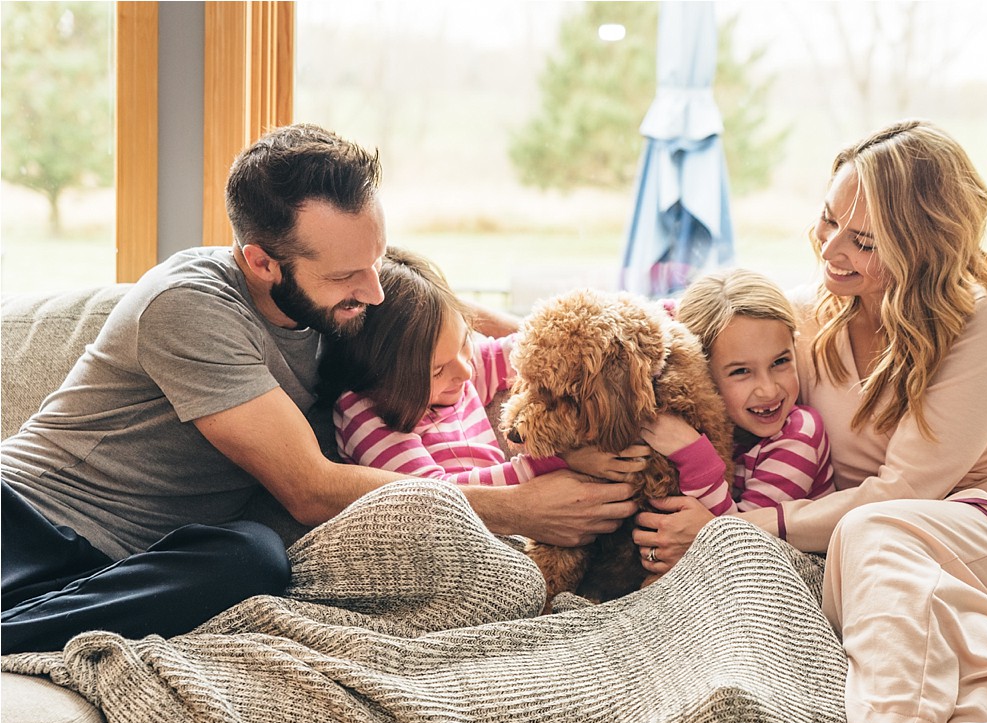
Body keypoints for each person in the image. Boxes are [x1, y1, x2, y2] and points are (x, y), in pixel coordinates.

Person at [630, 120, 987, 723]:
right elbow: (674, 327)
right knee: (945, 645)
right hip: (907, 577)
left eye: (863, 240)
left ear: (919, 244)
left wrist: (728, 528)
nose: (831, 249)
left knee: (873, 530)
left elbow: (903, 491)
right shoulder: (816, 318)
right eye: (827, 221)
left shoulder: (983, 322)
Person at [1, 123, 638, 655]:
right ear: (260, 262)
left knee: (249, 558)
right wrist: (526, 507)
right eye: (345, 276)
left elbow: (463, 320)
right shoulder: (187, 307)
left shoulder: (342, 295)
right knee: (256, 559)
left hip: (130, 563)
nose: (374, 291)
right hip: (27, 522)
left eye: (376, 260)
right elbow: (309, 490)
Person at [323, 247, 647, 485]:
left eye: (465, 343)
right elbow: (437, 496)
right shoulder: (362, 415)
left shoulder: (460, 371)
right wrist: (558, 463)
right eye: (437, 370)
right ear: (383, 376)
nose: (466, 372)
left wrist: (644, 323)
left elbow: (539, 352)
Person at [638, 268, 834, 550]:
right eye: (741, 371)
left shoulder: (800, 434)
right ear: (701, 373)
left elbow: (741, 542)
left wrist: (695, 455)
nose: (768, 390)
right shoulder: (699, 416)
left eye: (780, 362)